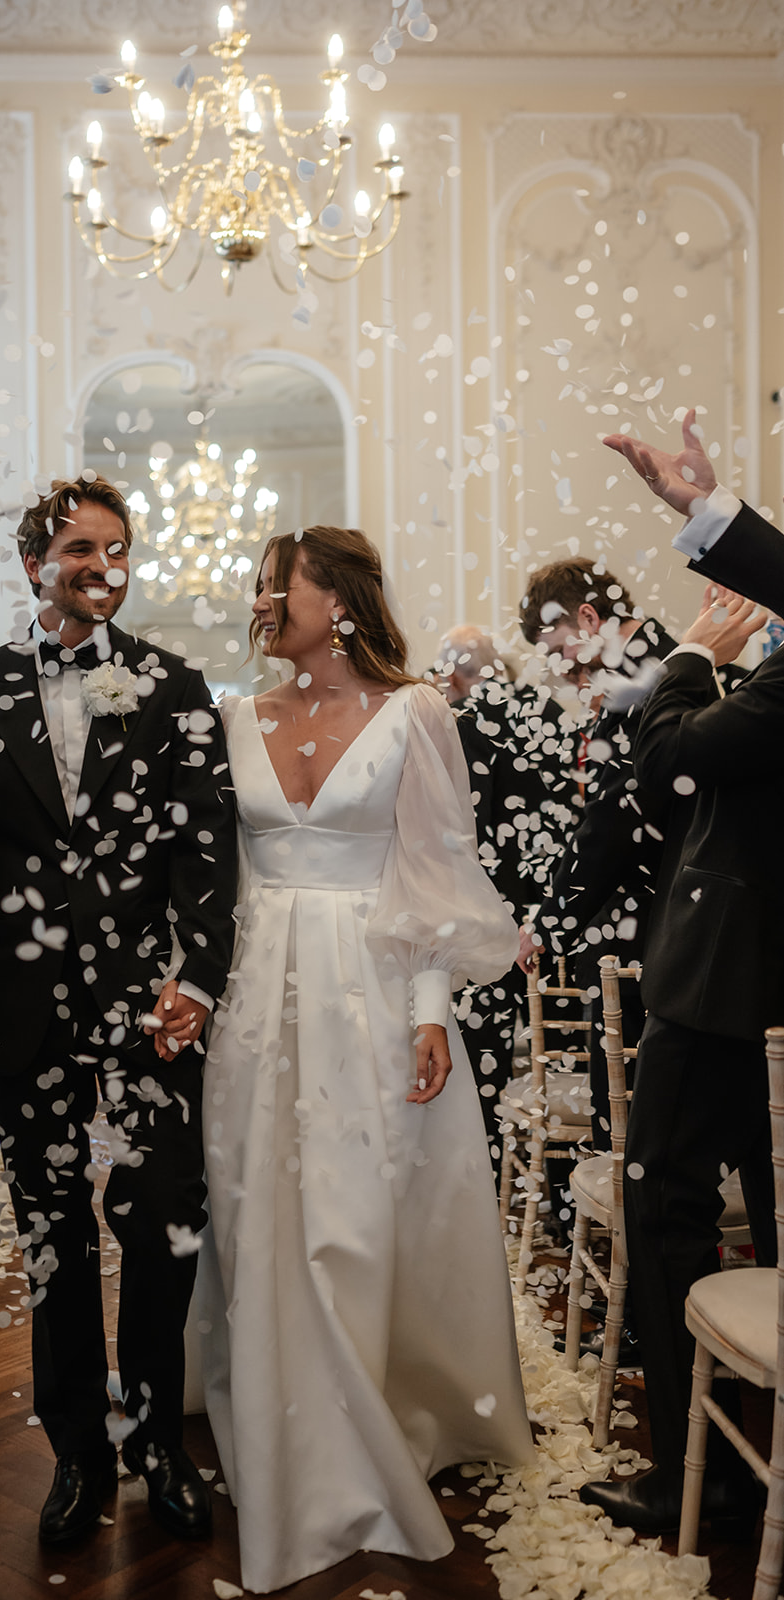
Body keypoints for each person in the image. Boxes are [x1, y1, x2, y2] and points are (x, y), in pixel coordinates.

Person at [198, 526, 532, 1594]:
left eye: (275, 585)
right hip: (257, 997)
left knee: (354, 1212)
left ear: (336, 599)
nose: (260, 602)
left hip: (371, 989)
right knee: (259, 1209)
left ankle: (369, 1421)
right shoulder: (230, 719)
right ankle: (273, 1410)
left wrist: (432, 1008)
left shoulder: (416, 713)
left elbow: (433, 872)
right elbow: (211, 885)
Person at [0, 474, 239, 1548]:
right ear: (33, 565)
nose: (105, 566)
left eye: (119, 548)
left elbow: (204, 844)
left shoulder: (174, 684)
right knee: (50, 1224)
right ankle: (75, 1453)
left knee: (159, 1215)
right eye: (82, 548)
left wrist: (194, 980)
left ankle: (157, 1441)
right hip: (18, 997)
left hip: (151, 1003)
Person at [579, 412, 784, 1534]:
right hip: (746, 982)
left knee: (664, 1208)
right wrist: (704, 515)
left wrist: (692, 655)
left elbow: (669, 759)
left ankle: (691, 1477)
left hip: (719, 986)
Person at [515, 559, 683, 1149]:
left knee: (636, 1133)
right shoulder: (658, 665)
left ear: (588, 617)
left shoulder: (648, 679)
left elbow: (612, 823)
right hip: (652, 927)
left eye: (562, 648)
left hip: (644, 934)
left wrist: (549, 923)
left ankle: (636, 1236)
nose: (562, 668)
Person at [437, 625, 580, 1144]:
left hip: (491, 915)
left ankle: (491, 1174)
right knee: (566, 1060)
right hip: (559, 912)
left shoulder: (467, 724)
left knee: (482, 1065)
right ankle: (568, 1197)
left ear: (451, 673)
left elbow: (463, 831)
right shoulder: (550, 713)